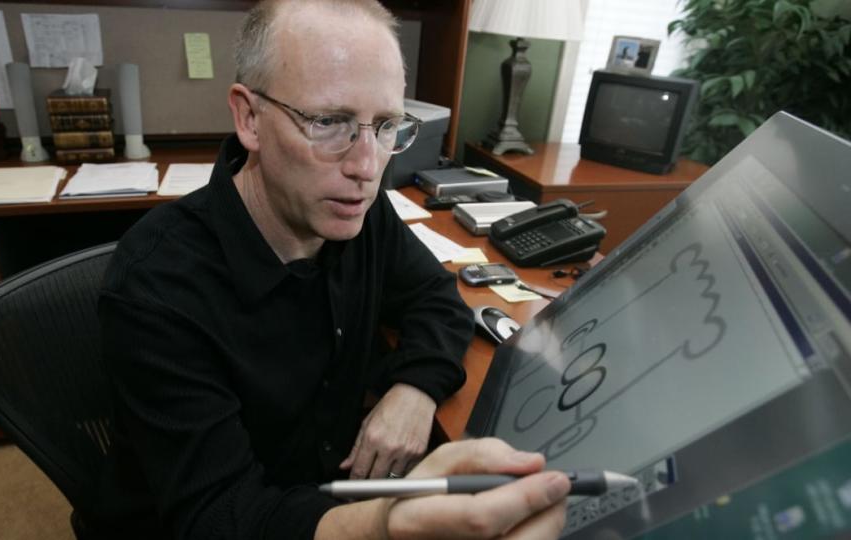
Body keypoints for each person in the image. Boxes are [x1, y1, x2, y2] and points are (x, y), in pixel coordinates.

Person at [91, 0, 570, 538]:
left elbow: (435, 296)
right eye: (328, 122)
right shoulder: (156, 287)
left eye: (386, 126)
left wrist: (415, 388)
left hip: (323, 493)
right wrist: (387, 525)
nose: (366, 167)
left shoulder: (356, 209)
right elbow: (219, 517)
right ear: (249, 118)